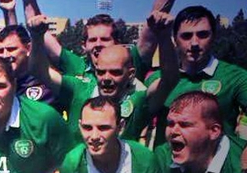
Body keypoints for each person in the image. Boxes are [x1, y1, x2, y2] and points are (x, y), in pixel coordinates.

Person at [17, 0, 187, 82]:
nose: (98, 44)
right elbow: (39, 30)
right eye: (92, 40)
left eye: (105, 39)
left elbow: (154, 23)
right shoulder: (77, 66)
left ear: (118, 43)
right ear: (84, 45)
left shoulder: (132, 61)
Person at [28, 11, 178, 144]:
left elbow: (169, 79)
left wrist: (164, 37)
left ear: (131, 74)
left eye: (115, 72)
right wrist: (36, 37)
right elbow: (39, 71)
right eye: (101, 72)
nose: (106, 78)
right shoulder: (79, 88)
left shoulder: (137, 99)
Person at [37, 96, 167, 173]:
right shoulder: (72, 163)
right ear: (80, 126)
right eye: (87, 128)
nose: (94, 136)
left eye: (103, 128)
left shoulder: (144, 160)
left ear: (120, 127)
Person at [146, 5, 247, 141]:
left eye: (202, 34)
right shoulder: (157, 80)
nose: (194, 43)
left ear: (214, 37)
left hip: (218, 162)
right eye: (186, 36)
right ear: (175, 39)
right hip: (167, 162)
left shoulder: (236, 77)